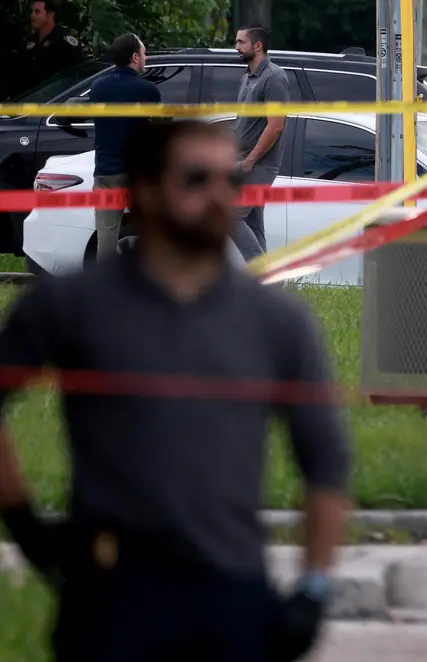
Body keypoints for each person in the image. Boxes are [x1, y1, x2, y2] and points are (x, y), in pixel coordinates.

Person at [0, 120, 351, 662]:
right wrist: (26, 526)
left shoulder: (278, 320)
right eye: (195, 179)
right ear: (144, 191)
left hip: (233, 595)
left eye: (229, 183)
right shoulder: (71, 306)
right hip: (111, 597)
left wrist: (314, 588)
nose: (218, 197)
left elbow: (325, 461)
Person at [89, 33, 161, 258]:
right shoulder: (148, 91)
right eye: (144, 52)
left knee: (106, 239)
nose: (146, 56)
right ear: (134, 57)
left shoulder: (98, 87)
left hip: (106, 171)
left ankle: (107, 288)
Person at [233, 25, 291, 261]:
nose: (236, 47)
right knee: (253, 222)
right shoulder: (247, 76)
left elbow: (275, 125)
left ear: (258, 46)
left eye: (240, 42)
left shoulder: (274, 77)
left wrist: (250, 161)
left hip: (259, 164)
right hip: (243, 161)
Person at [20, 0, 86, 95]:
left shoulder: (64, 42)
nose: (32, 15)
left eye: (37, 12)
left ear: (50, 15)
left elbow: (78, 73)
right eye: (32, 11)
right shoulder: (30, 40)